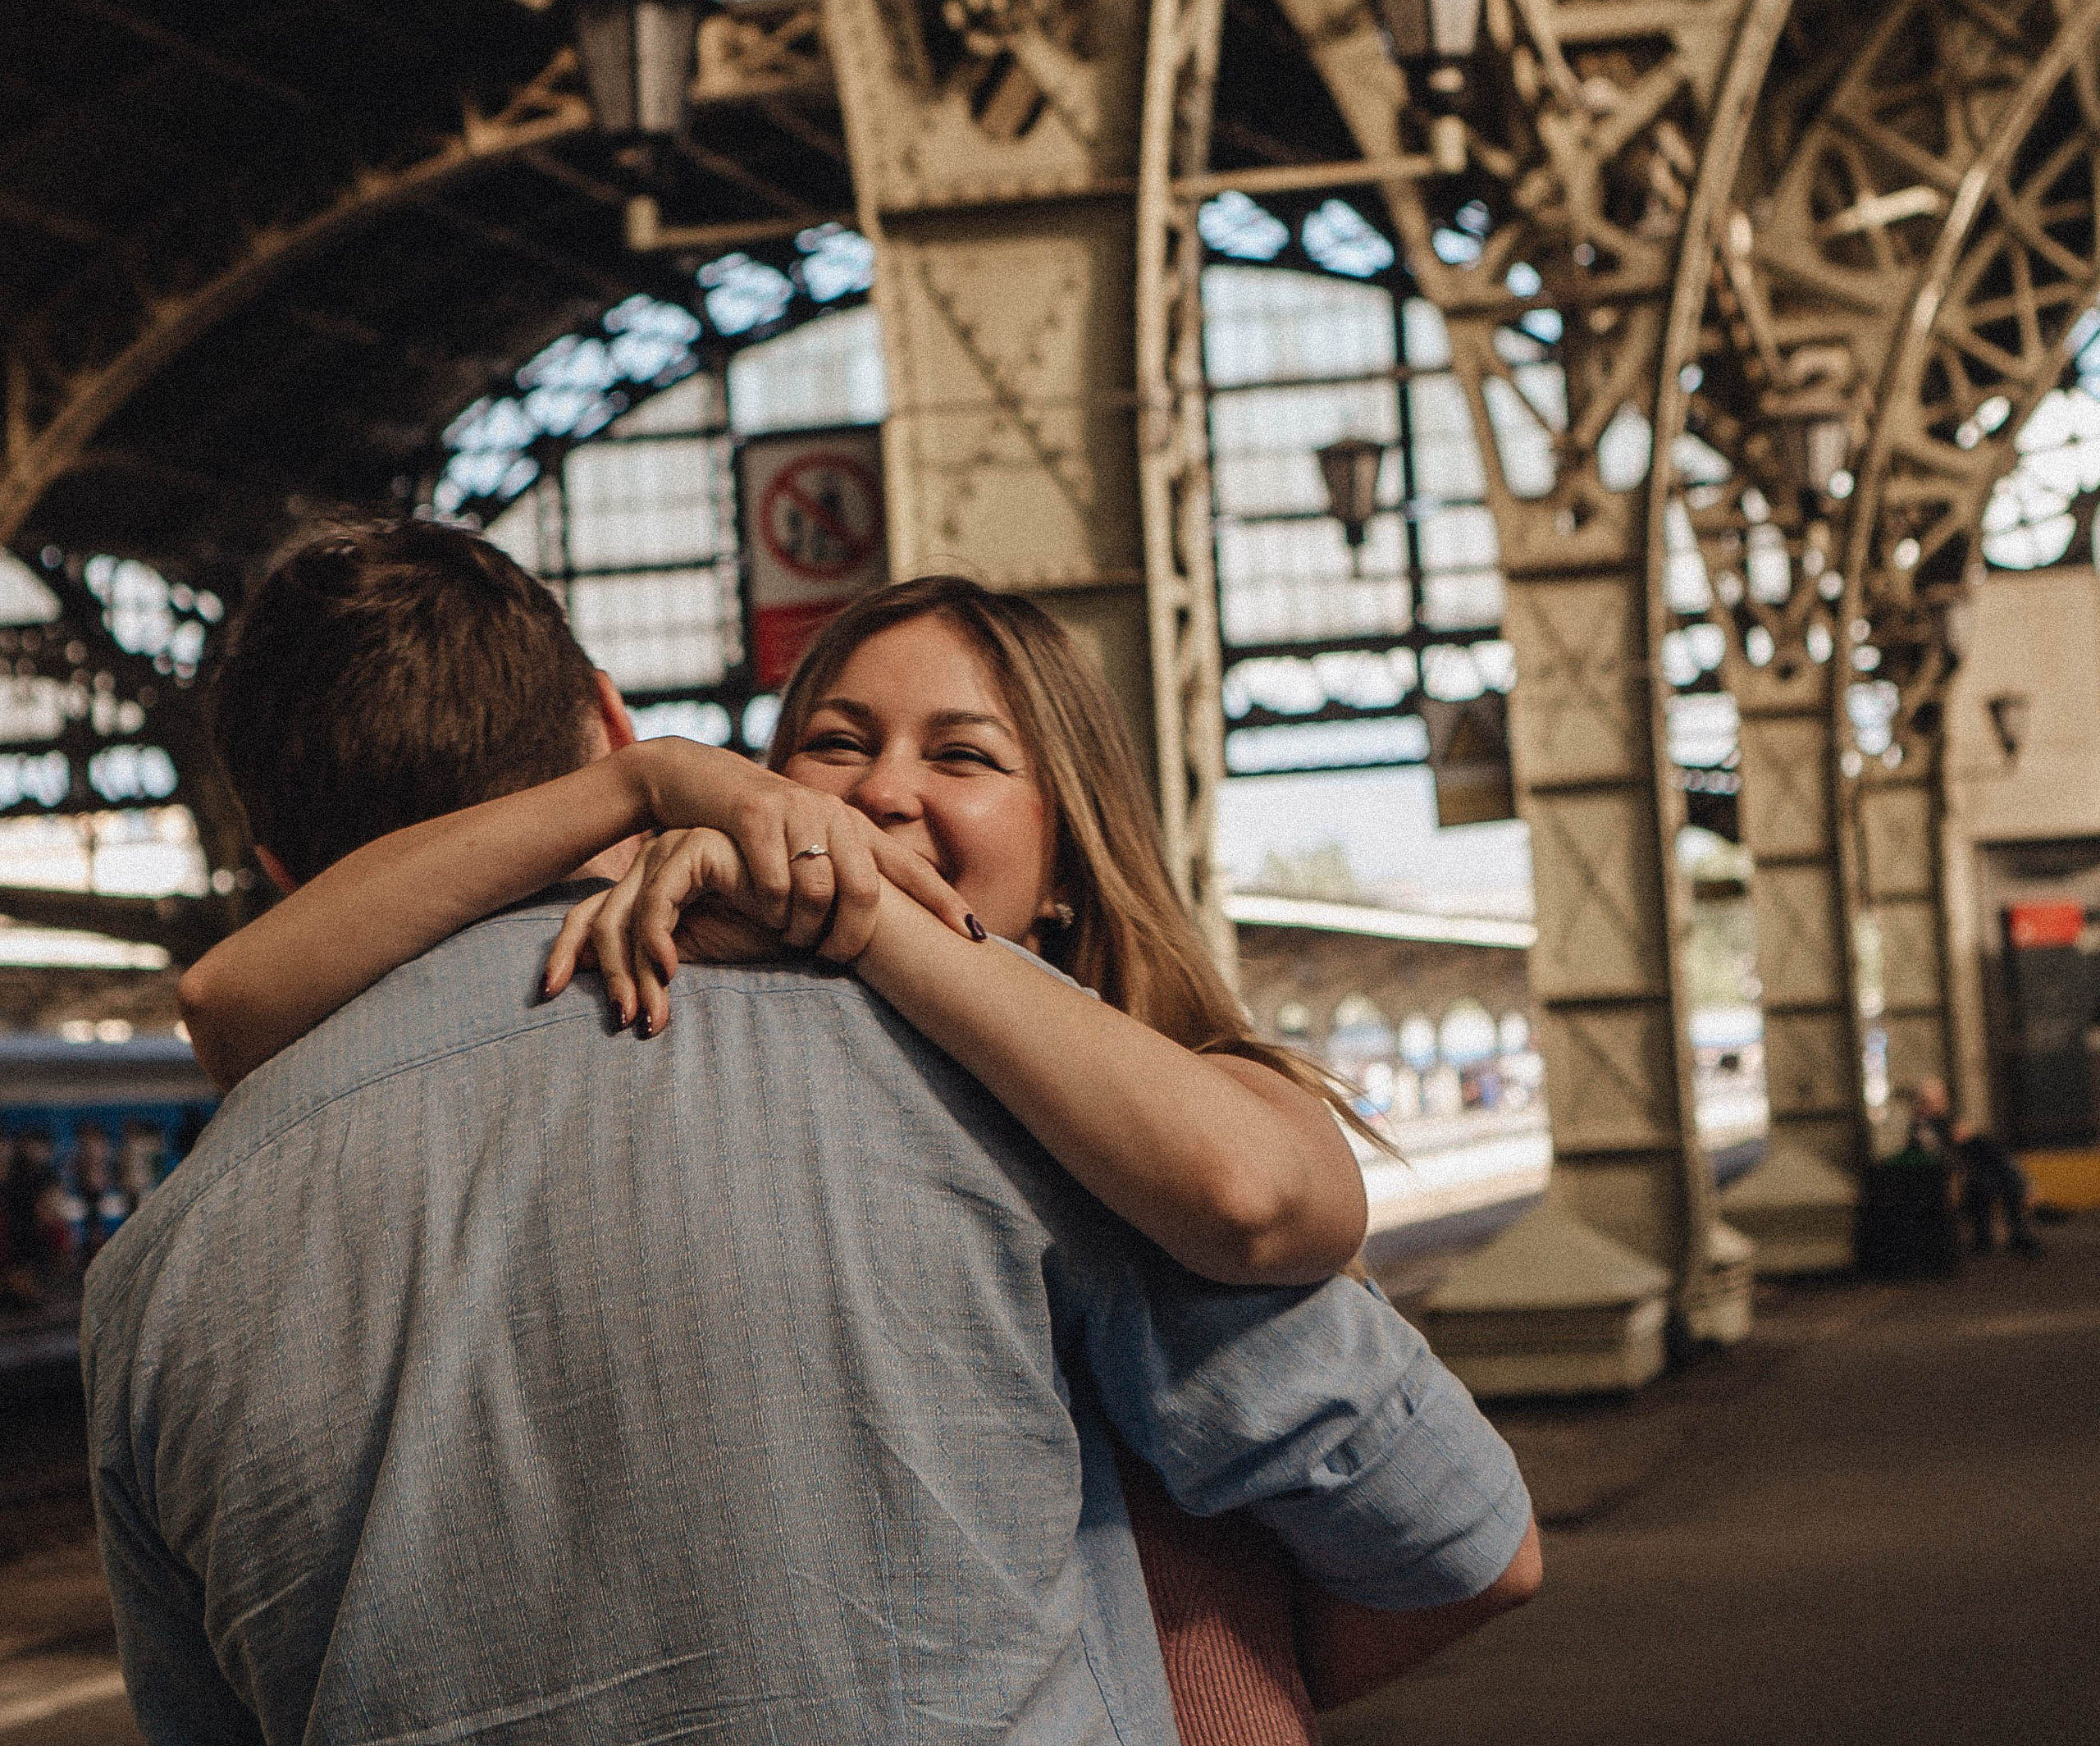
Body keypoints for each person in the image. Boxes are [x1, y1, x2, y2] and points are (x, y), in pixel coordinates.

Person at [93, 523, 1538, 1745]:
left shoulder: (155, 1277)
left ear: (270, 860)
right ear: (611, 722)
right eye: (834, 746)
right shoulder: (958, 1088)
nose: (883, 799)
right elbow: (1461, 1540)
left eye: (963, 756)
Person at [1909, 1075, 2041, 1257]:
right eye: (1936, 1100)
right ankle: (2017, 1218)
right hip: (1949, 1177)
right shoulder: (1923, 1127)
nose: (1942, 1103)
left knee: (1997, 1168)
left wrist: (1965, 1137)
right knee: (1991, 1178)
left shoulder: (1948, 1122)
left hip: (1972, 1171)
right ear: (1924, 1103)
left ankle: (2015, 1227)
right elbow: (1934, 1156)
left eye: (1942, 1098)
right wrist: (1954, 1140)